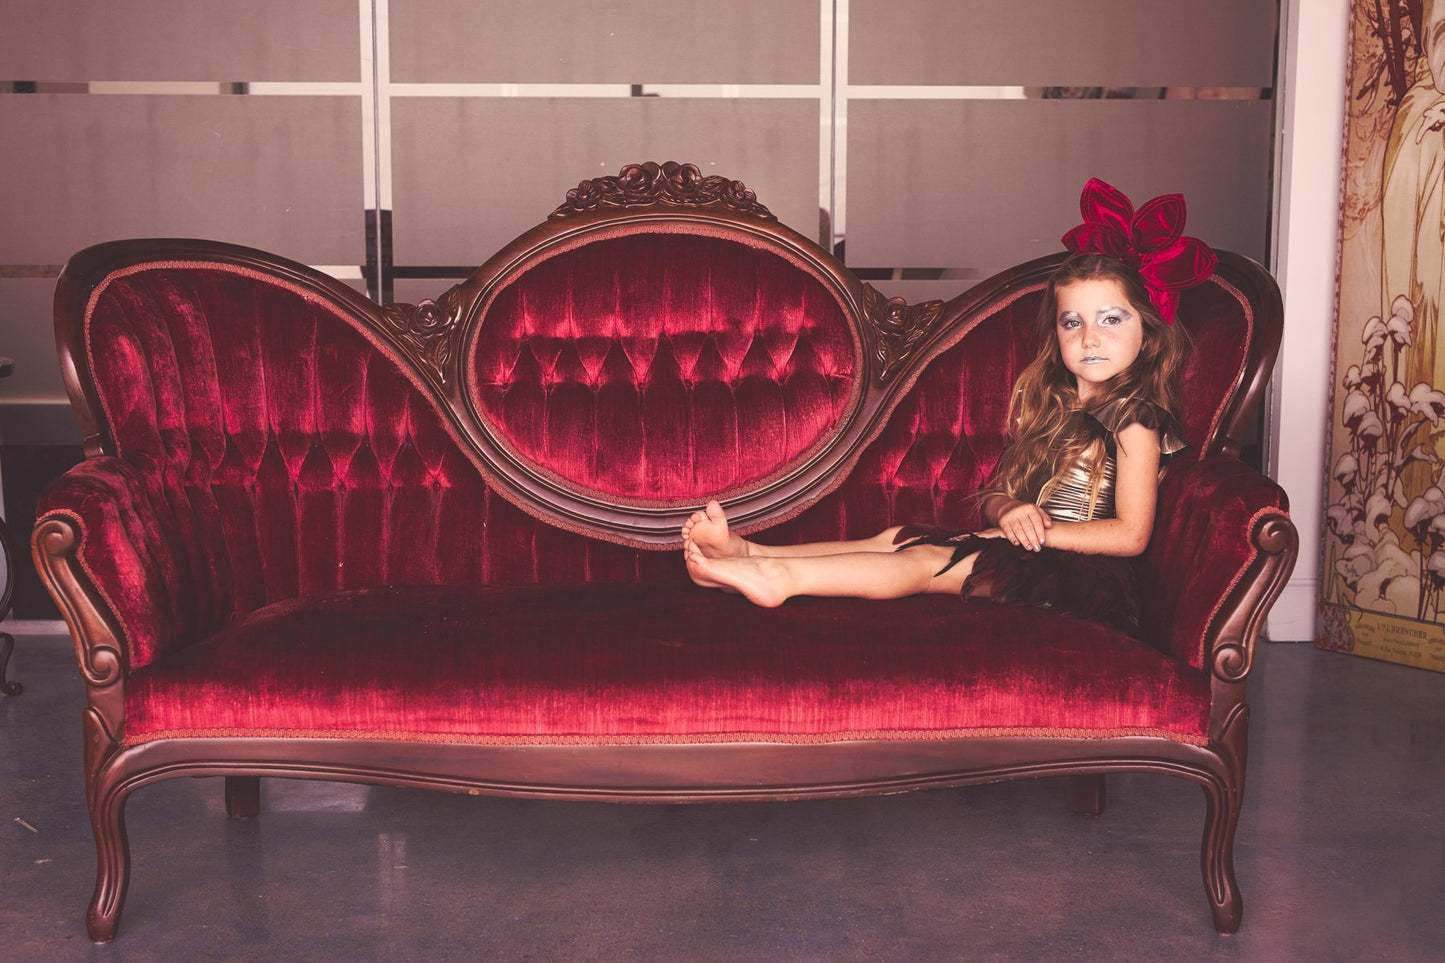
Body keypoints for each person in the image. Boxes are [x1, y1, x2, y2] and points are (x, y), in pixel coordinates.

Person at [682, 178, 1215, 632]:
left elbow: (1131, 535)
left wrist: (1033, 534)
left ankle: (781, 579)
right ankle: (752, 554)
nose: (1090, 338)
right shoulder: (1054, 406)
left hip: (1074, 573)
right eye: (1072, 322)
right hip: (1031, 547)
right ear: (1056, 335)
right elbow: (1000, 497)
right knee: (895, 537)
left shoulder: (1137, 418)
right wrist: (1009, 513)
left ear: (1148, 331)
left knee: (924, 562)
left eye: (1112, 319)